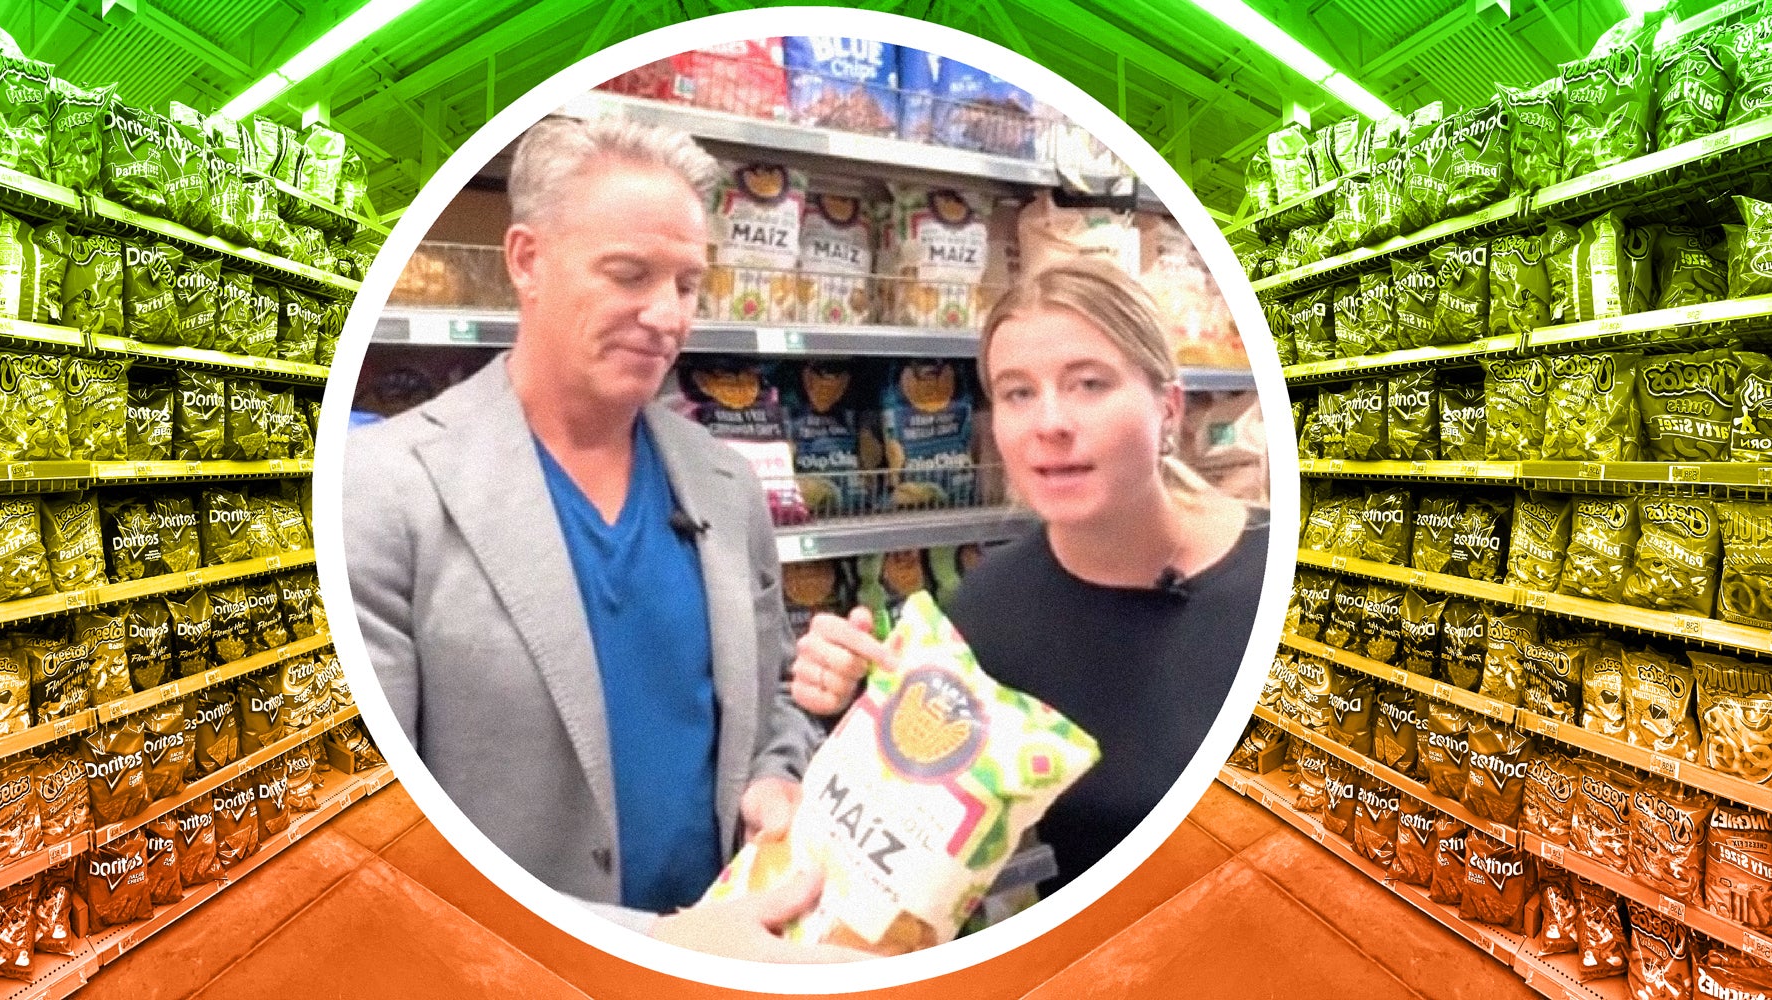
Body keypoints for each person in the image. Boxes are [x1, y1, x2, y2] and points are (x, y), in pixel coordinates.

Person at [343, 116, 858, 962]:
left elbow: (766, 700)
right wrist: (658, 943)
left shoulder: (727, 490)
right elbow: (375, 836)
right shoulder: (385, 493)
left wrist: (775, 777)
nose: (665, 315)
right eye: (629, 274)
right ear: (526, 260)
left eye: (689, 284)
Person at [790, 256, 1269, 896]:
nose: (1050, 424)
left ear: (1169, 409)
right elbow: (905, 850)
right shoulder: (985, 620)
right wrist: (852, 703)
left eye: (1089, 384)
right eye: (1017, 392)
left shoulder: (1287, 566)